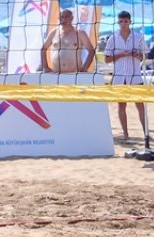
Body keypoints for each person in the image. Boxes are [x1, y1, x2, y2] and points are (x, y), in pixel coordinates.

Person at [105, 11, 148, 142]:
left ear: (130, 21)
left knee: (140, 105)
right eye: (121, 22)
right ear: (118, 22)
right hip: (119, 78)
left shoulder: (138, 37)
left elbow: (145, 56)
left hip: (135, 77)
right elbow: (107, 59)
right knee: (121, 106)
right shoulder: (113, 38)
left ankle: (146, 134)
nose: (123, 24)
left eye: (125, 21)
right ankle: (125, 134)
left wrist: (138, 55)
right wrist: (121, 54)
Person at [39, 8, 95, 73]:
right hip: (57, 74)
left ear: (72, 18)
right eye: (62, 17)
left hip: (74, 75)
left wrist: (84, 68)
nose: (64, 19)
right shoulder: (54, 32)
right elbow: (43, 49)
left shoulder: (79, 33)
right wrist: (45, 67)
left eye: (66, 17)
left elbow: (91, 51)